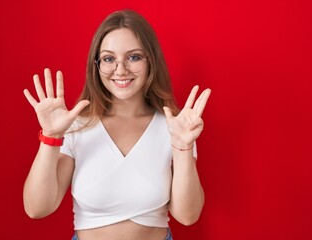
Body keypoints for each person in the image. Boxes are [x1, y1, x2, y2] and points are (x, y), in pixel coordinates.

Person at [23, 9, 211, 240]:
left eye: (133, 57)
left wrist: (182, 146)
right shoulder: (76, 126)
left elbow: (187, 215)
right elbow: (37, 208)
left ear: (151, 61)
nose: (120, 70)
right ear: (97, 64)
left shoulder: (175, 128)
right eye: (109, 59)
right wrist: (51, 135)